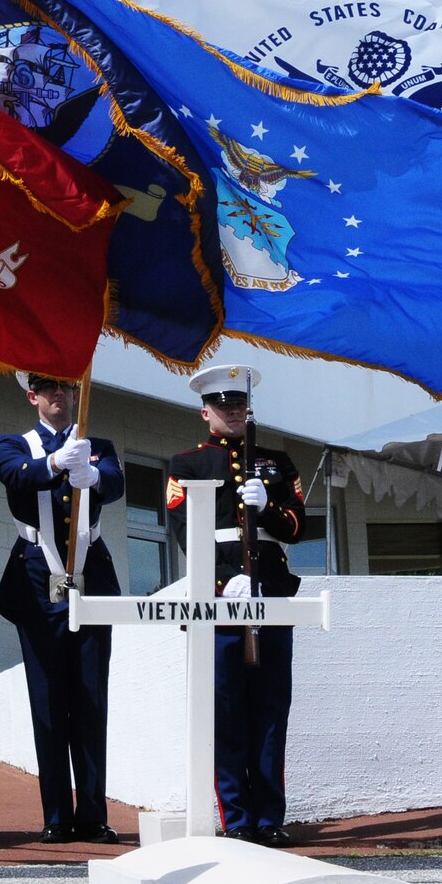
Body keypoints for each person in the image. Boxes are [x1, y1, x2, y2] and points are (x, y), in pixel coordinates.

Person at [166, 363, 307, 848]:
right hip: (220, 597)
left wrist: (267, 504)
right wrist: (225, 581)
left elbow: (296, 527)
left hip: (271, 595)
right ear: (206, 411)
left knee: (270, 711)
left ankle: (269, 816)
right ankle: (237, 817)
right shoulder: (186, 464)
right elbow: (185, 531)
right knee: (224, 711)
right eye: (222, 405)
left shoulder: (277, 462)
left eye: (239, 403)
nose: (232, 411)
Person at [0, 372, 125, 845]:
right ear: (32, 396)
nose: (58, 396)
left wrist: (94, 474)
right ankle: (56, 815)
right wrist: (51, 463)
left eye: (66, 388)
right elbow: (12, 475)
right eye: (48, 389)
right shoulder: (14, 443)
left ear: (76, 393)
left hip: (90, 571)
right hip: (35, 574)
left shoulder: (97, 443)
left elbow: (114, 481)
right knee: (47, 702)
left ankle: (92, 812)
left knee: (91, 700)